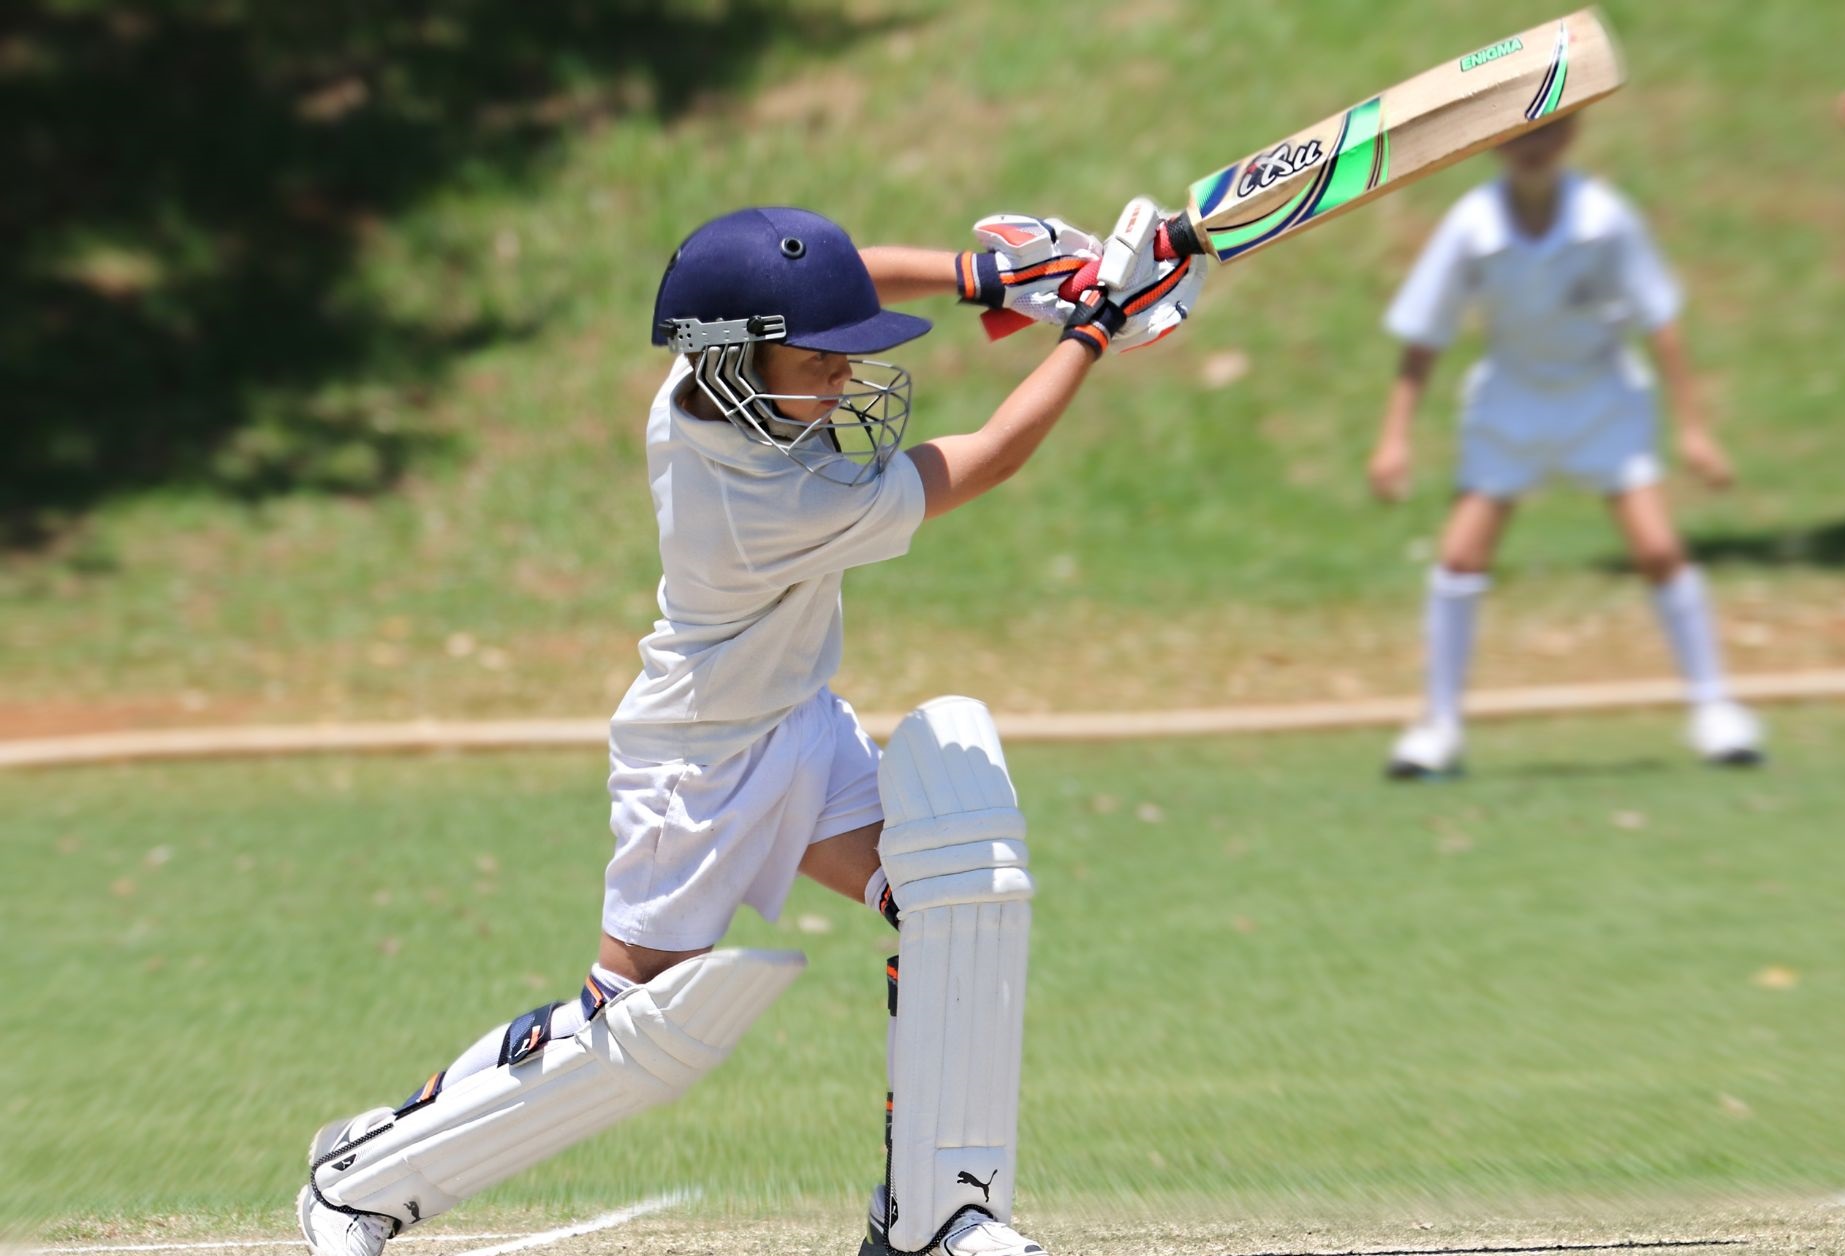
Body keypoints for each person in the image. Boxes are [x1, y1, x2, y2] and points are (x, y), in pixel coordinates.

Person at [295, 205, 1204, 1256]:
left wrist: (989, 275)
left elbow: (835, 275)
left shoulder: (704, 382)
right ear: (732, 361)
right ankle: (357, 1177)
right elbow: (991, 454)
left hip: (799, 724)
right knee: (628, 1030)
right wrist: (1088, 325)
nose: (842, 382)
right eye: (818, 363)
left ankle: (939, 1212)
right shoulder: (775, 493)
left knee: (956, 899)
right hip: (699, 762)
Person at [1366, 116, 1762, 778]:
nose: (1531, 148)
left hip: (1600, 393)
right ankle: (1437, 728)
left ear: (1572, 137)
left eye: (1547, 133)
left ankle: (1715, 709)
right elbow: (1424, 334)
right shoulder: (1471, 227)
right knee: (1459, 559)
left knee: (1660, 549)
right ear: (1490, 142)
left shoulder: (1606, 219)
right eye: (1516, 135)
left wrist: (1694, 430)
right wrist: (1394, 436)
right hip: (1511, 400)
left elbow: (1660, 320)